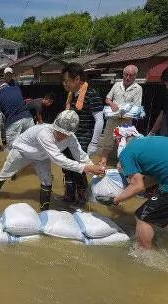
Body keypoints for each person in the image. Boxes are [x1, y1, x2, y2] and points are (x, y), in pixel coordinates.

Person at [96, 126, 168, 250]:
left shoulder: (127, 152)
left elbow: (138, 186)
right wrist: (132, 190)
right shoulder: (151, 141)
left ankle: (145, 256)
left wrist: (115, 200)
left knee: (143, 217)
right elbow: (155, 177)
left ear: (119, 141)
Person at [0, 111, 105, 211]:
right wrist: (86, 168)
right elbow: (58, 159)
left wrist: (93, 167)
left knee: (47, 181)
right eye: (58, 131)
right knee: (5, 173)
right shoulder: (44, 133)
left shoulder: (71, 138)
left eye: (64, 134)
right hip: (23, 151)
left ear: (71, 133)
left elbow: (80, 155)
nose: (60, 135)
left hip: (42, 156)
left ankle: (44, 211)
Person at [61, 63, 104, 205]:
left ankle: (83, 200)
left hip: (83, 139)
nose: (65, 84)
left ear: (77, 79)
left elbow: (99, 120)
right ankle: (69, 197)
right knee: (67, 167)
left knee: (79, 170)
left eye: (67, 81)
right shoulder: (72, 95)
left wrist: (94, 143)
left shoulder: (91, 94)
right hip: (69, 138)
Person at [99, 65, 143, 167]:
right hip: (112, 119)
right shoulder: (116, 85)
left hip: (126, 121)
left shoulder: (138, 88)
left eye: (131, 75)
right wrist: (112, 104)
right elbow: (107, 99)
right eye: (126, 75)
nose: (127, 77)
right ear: (123, 74)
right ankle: (103, 161)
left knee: (123, 143)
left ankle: (120, 163)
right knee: (107, 141)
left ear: (135, 76)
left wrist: (124, 112)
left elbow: (136, 107)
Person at [0, 68, 34, 150]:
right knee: (30, 147)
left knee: (12, 150)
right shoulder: (16, 88)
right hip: (29, 119)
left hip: (14, 123)